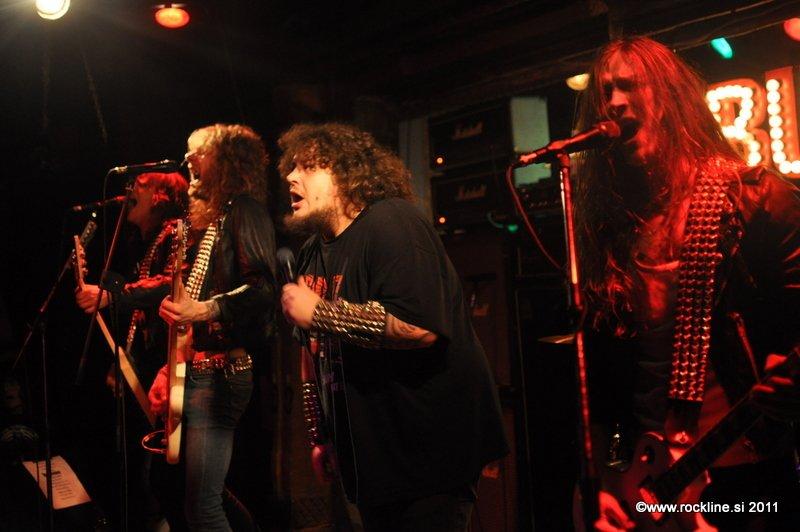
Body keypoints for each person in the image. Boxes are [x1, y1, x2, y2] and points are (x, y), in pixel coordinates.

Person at [573, 36, 800, 530]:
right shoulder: (612, 230)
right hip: (649, 484)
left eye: (630, 85)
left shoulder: (756, 198)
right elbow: (609, 376)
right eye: (605, 91)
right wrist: (609, 473)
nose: (614, 103)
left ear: (671, 97)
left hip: (745, 474)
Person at [279, 123, 508, 531]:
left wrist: (323, 314)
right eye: (291, 167)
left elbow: (419, 326)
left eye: (306, 166)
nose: (291, 177)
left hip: (428, 452)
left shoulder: (392, 222)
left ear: (344, 173)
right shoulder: (312, 252)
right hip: (370, 460)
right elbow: (310, 352)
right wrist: (320, 434)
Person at [149, 123, 278, 531]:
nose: (188, 159)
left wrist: (203, 309)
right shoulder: (217, 218)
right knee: (204, 496)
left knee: (202, 505)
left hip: (222, 375)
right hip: (201, 371)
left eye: (199, 151)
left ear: (226, 161)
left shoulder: (245, 210)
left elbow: (264, 289)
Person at [74, 171, 188, 531]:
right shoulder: (145, 241)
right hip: (148, 363)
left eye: (141, 184)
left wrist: (112, 295)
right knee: (146, 468)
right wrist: (123, 361)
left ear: (160, 196)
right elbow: (140, 307)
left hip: (170, 364)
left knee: (166, 473)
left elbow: (170, 284)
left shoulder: (174, 232)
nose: (130, 189)